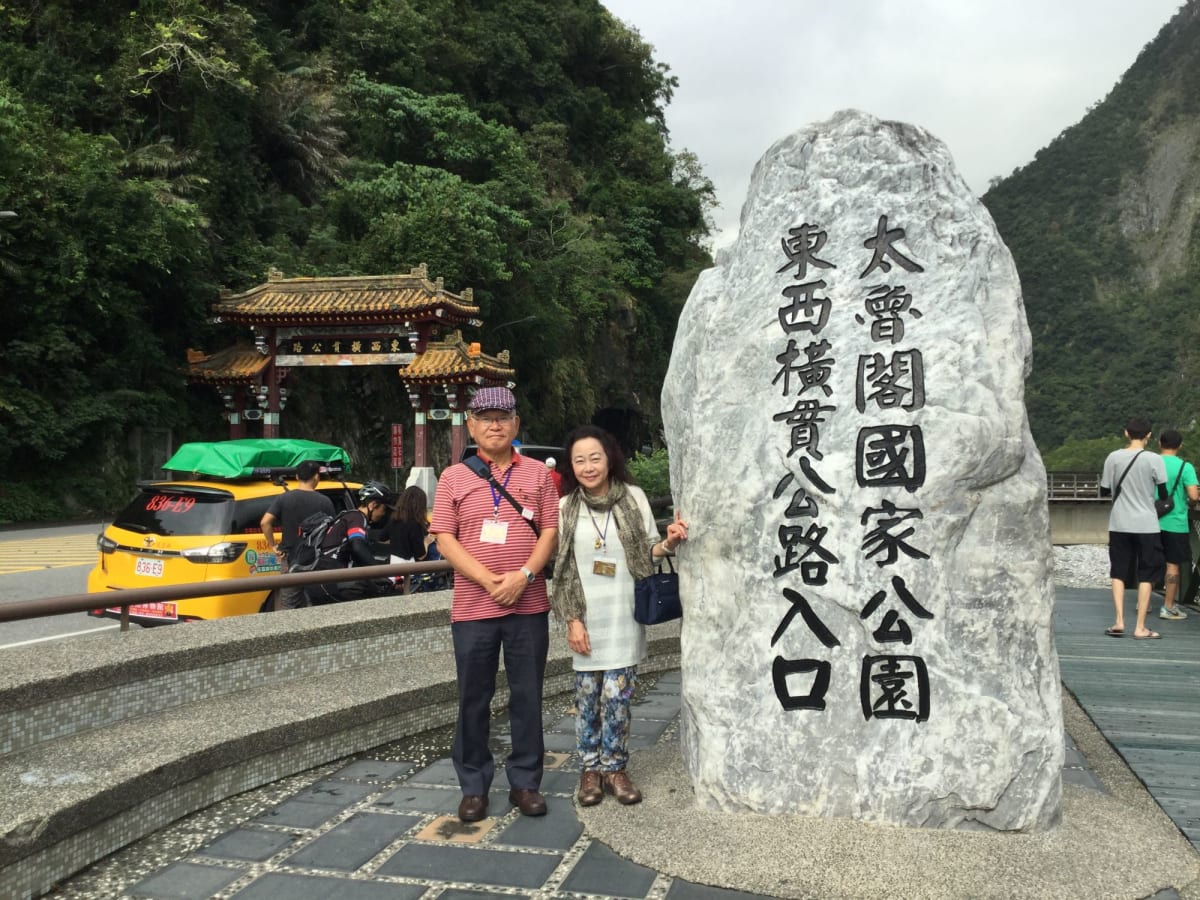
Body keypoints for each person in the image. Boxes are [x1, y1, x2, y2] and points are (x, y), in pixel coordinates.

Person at [429, 386, 559, 822]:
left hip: (528, 605)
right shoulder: (453, 477)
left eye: (503, 416)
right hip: (472, 607)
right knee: (473, 697)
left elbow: (549, 534)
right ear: (471, 425)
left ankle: (525, 782)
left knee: (527, 695)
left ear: (516, 424)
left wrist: (522, 577)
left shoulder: (539, 474)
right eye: (485, 417)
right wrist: (488, 580)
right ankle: (473, 786)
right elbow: (445, 538)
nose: (495, 424)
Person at [551, 425, 688, 807]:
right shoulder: (565, 508)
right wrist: (572, 620)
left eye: (595, 457)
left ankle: (615, 767)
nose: (588, 466)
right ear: (571, 466)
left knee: (618, 695)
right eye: (580, 460)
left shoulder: (633, 498)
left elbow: (646, 551)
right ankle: (590, 769)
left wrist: (669, 542)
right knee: (587, 696)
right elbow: (562, 571)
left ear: (610, 458)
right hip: (586, 616)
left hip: (623, 614)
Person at [1100, 417, 1168, 639]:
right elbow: (1164, 494)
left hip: (1119, 523)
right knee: (1147, 574)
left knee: (1118, 571)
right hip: (1147, 524)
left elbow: (1104, 490)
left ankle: (1119, 621)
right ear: (1149, 435)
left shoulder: (1113, 457)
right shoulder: (1154, 459)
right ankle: (1140, 627)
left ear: (1126, 434)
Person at [305, 481, 396, 605]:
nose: (383, 514)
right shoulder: (357, 518)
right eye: (384, 509)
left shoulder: (347, 516)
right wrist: (380, 573)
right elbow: (358, 546)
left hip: (321, 581)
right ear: (373, 505)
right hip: (331, 581)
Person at [260, 460, 335, 610]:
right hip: (315, 561)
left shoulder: (284, 499)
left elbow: (265, 522)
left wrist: (273, 545)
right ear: (316, 477)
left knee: (288, 604)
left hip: (290, 559)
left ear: (296, 477)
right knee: (314, 602)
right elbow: (332, 530)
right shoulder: (325, 501)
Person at [1156, 429, 1199, 620]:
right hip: (1175, 523)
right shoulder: (1185, 467)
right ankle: (1168, 607)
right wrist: (1190, 503)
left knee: (1149, 562)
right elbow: (1193, 496)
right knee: (1172, 566)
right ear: (1180, 445)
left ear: (1159, 443)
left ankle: (1143, 602)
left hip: (1149, 521)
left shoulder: (1150, 462)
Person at [387, 485, 435, 593]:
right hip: (410, 575)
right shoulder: (415, 524)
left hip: (393, 571)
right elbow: (421, 555)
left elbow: (382, 537)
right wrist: (427, 542)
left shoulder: (394, 519)